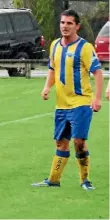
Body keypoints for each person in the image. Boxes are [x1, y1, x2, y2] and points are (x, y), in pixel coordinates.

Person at [31, 9, 103, 190]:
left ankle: (85, 180)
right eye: (63, 22)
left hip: (81, 103)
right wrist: (47, 86)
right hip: (61, 105)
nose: (65, 26)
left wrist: (97, 98)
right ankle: (54, 180)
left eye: (69, 23)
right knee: (61, 142)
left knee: (78, 141)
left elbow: (98, 72)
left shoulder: (85, 47)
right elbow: (53, 69)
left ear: (77, 26)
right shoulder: (55, 45)